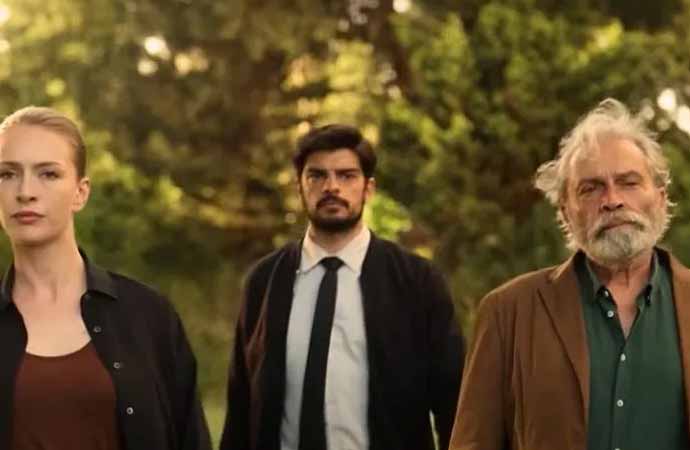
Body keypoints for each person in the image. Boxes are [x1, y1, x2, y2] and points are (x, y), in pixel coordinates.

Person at [449, 98, 690, 450]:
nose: (612, 200)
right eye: (590, 188)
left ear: (660, 197)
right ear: (565, 212)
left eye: (628, 182)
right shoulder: (508, 313)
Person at [220, 124, 464, 450]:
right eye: (317, 176)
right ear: (299, 186)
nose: (331, 187)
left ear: (368, 189)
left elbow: (455, 403)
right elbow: (240, 406)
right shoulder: (263, 282)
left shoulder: (417, 282)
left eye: (347, 176)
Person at [0, 106, 211, 450]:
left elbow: (191, 438)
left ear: (81, 193)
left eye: (48, 174)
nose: (25, 191)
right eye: (7, 174)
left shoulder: (149, 316)